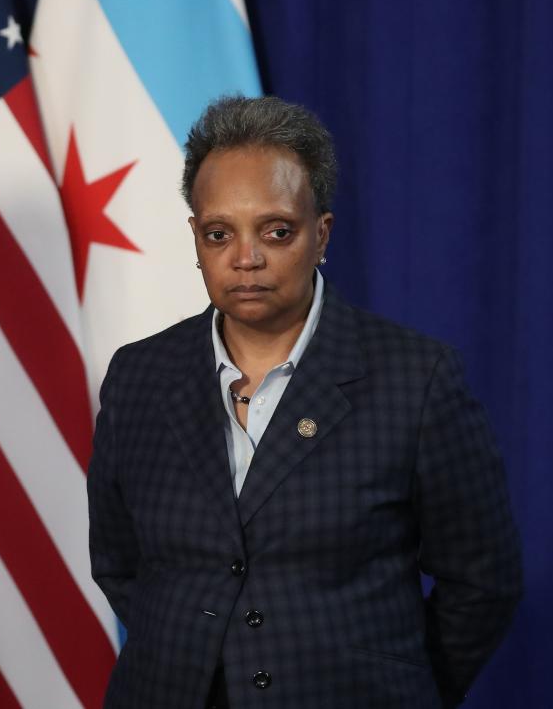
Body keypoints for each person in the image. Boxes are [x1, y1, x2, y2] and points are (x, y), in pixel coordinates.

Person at [87, 95, 521, 708]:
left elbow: (483, 583)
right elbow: (121, 564)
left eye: (276, 231)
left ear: (321, 235)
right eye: (219, 234)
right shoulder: (138, 375)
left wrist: (402, 692)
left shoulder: (415, 379)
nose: (246, 258)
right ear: (196, 239)